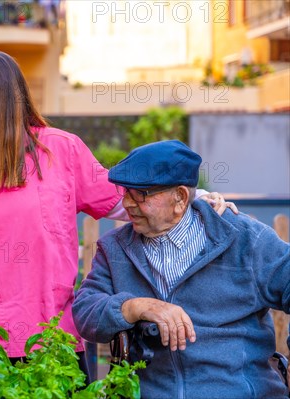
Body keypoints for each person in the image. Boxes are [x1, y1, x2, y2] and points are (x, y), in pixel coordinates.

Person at [0, 51, 235, 371]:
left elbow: (124, 201)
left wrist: (197, 199)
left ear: (1, 95)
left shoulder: (61, 149)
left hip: (53, 341)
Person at [72, 140, 289, 398]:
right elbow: (85, 311)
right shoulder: (114, 249)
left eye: (140, 194)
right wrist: (134, 307)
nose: (127, 203)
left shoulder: (245, 240)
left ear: (181, 197)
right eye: (125, 191)